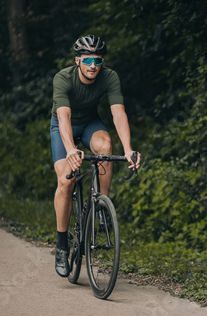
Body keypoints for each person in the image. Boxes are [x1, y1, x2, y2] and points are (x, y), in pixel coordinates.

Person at [50, 34, 140, 277]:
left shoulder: (109, 77)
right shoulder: (63, 78)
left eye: (98, 60)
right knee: (66, 180)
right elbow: (63, 117)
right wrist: (70, 149)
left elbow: (118, 113)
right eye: (88, 59)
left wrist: (129, 149)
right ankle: (61, 245)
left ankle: (100, 206)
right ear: (78, 60)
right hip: (63, 127)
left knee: (106, 146)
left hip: (90, 123)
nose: (93, 65)